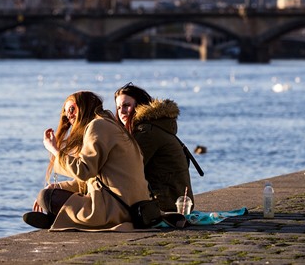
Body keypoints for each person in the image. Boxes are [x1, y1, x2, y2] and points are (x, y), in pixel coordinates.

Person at [23, 91, 154, 231]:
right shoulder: (112, 125)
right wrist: (58, 187)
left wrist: (55, 151)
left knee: (46, 197)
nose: (69, 116)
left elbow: (84, 171)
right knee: (50, 192)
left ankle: (56, 219)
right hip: (135, 209)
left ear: (84, 106)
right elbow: (89, 180)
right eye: (66, 114)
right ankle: (57, 218)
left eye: (72, 109)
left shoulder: (98, 125)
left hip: (115, 210)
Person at [114, 82, 194, 212]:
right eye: (118, 108)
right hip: (175, 199)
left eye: (126, 105)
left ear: (139, 106)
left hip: (165, 204)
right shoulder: (155, 126)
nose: (121, 111)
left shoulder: (146, 132)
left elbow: (127, 170)